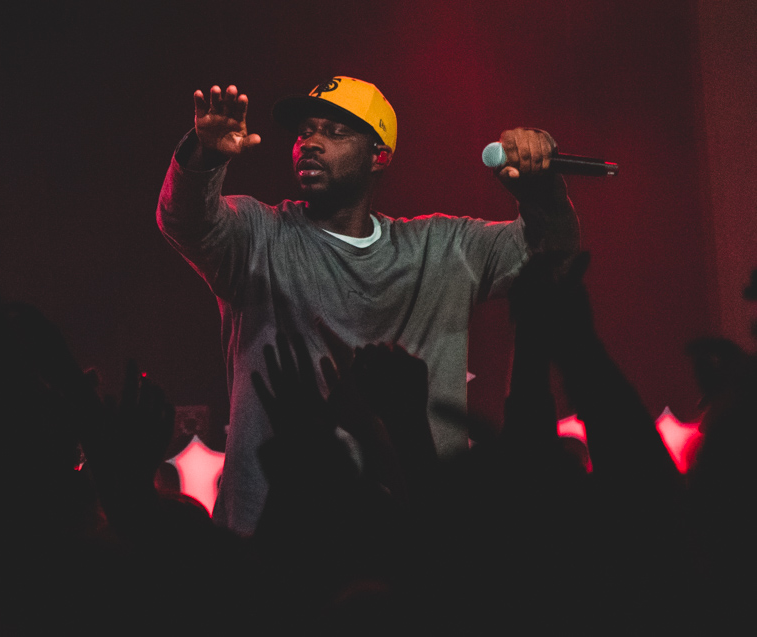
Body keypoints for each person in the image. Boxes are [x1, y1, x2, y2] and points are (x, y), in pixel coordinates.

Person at [156, 77, 580, 535]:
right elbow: (186, 220)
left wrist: (542, 189)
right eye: (305, 131)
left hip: (413, 538)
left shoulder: (441, 249)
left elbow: (550, 257)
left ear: (380, 155)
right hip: (274, 538)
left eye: (335, 132)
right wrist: (206, 156)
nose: (310, 142)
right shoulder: (259, 236)